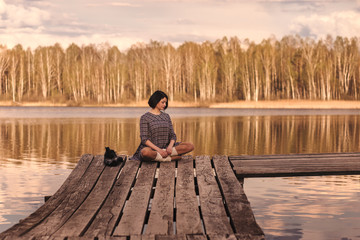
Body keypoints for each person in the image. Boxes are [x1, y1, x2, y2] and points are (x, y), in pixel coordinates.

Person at [131, 90, 194, 161]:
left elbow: (173, 135)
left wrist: (170, 147)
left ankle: (161, 157)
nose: (165, 104)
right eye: (162, 102)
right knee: (145, 153)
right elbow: (144, 140)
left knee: (190, 146)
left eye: (166, 102)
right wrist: (159, 150)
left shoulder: (166, 116)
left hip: (166, 148)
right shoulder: (145, 117)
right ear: (155, 101)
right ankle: (168, 158)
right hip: (152, 149)